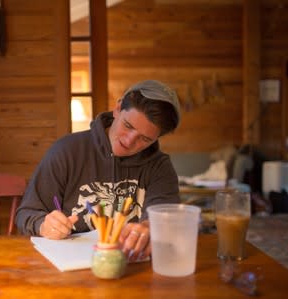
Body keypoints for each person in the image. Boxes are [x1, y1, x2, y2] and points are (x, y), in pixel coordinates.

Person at [16, 80, 181, 261]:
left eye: (144, 138)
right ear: (117, 109)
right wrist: (43, 224)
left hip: (131, 270)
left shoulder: (159, 167)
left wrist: (152, 227)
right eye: (128, 126)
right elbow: (27, 213)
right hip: (69, 265)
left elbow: (168, 219)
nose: (129, 141)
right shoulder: (67, 151)